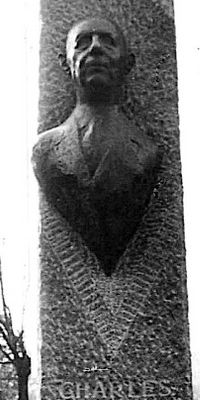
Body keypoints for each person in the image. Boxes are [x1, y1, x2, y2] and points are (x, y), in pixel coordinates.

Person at [32, 15, 162, 276]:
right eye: (82, 43)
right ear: (65, 64)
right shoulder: (45, 151)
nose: (95, 48)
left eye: (107, 42)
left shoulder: (148, 152)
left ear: (128, 63)